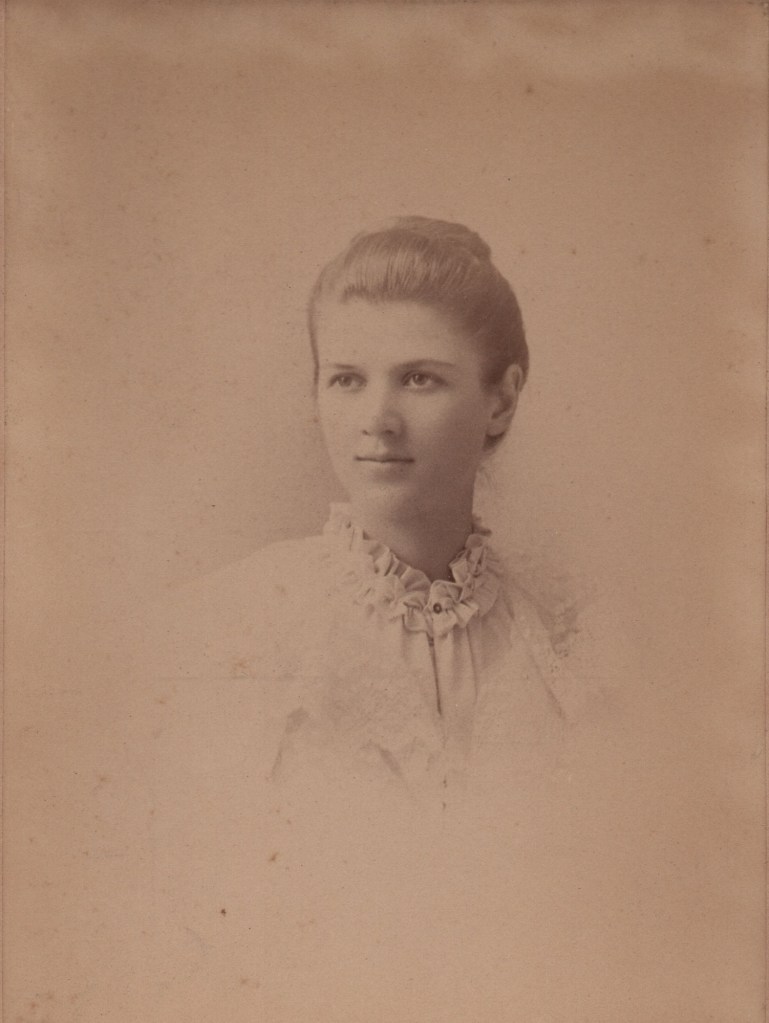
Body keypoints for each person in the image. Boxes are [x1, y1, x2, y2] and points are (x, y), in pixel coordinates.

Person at [147, 216, 583, 810]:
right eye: (347, 379)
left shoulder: (565, 639)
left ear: (501, 401)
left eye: (419, 379)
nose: (378, 419)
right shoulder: (222, 628)